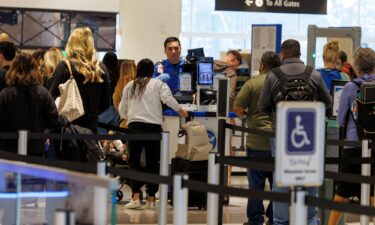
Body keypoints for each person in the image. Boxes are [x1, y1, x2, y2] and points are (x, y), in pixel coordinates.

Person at [258, 39, 332, 225]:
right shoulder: (313, 74)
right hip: (309, 135)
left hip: (281, 135)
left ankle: (280, 221)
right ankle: (309, 220)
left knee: (281, 180)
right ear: (300, 54)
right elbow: (328, 102)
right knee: (309, 176)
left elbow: (263, 106)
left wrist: (277, 115)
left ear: (282, 54)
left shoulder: (273, 75)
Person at [119, 58, 188, 209]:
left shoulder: (130, 86)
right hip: (154, 128)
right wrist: (180, 110)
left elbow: (122, 110)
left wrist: (129, 116)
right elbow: (168, 99)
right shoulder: (158, 84)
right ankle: (151, 199)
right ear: (152, 71)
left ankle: (135, 197)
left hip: (134, 127)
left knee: (134, 162)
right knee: (153, 163)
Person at [328, 47, 375, 225]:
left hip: (353, 145)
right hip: (374, 145)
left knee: (343, 191)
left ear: (356, 65)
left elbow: (340, 119)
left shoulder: (350, 87)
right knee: (372, 189)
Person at [233, 51, 281, 225]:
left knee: (256, 185)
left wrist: (248, 115)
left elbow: (237, 107)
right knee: (278, 184)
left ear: (262, 65)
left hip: (256, 143)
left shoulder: (252, 84)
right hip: (278, 143)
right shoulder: (283, 84)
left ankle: (255, 219)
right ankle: (274, 216)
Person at [49, 27, 110, 133]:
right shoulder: (101, 69)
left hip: (67, 128)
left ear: (71, 43)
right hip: (91, 128)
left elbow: (51, 98)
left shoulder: (65, 66)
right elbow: (106, 103)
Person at [0, 53, 61, 156]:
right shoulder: (44, 93)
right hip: (36, 149)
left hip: (8, 149)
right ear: (35, 69)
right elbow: (53, 122)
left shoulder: (5, 94)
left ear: (13, 69)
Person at [97, 52, 120, 134]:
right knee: (112, 139)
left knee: (101, 138)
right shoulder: (118, 74)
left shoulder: (102, 73)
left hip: (104, 109)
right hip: (116, 109)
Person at [113, 59, 137, 128]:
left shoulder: (121, 83)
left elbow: (116, 101)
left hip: (125, 121)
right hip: (139, 122)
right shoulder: (140, 82)